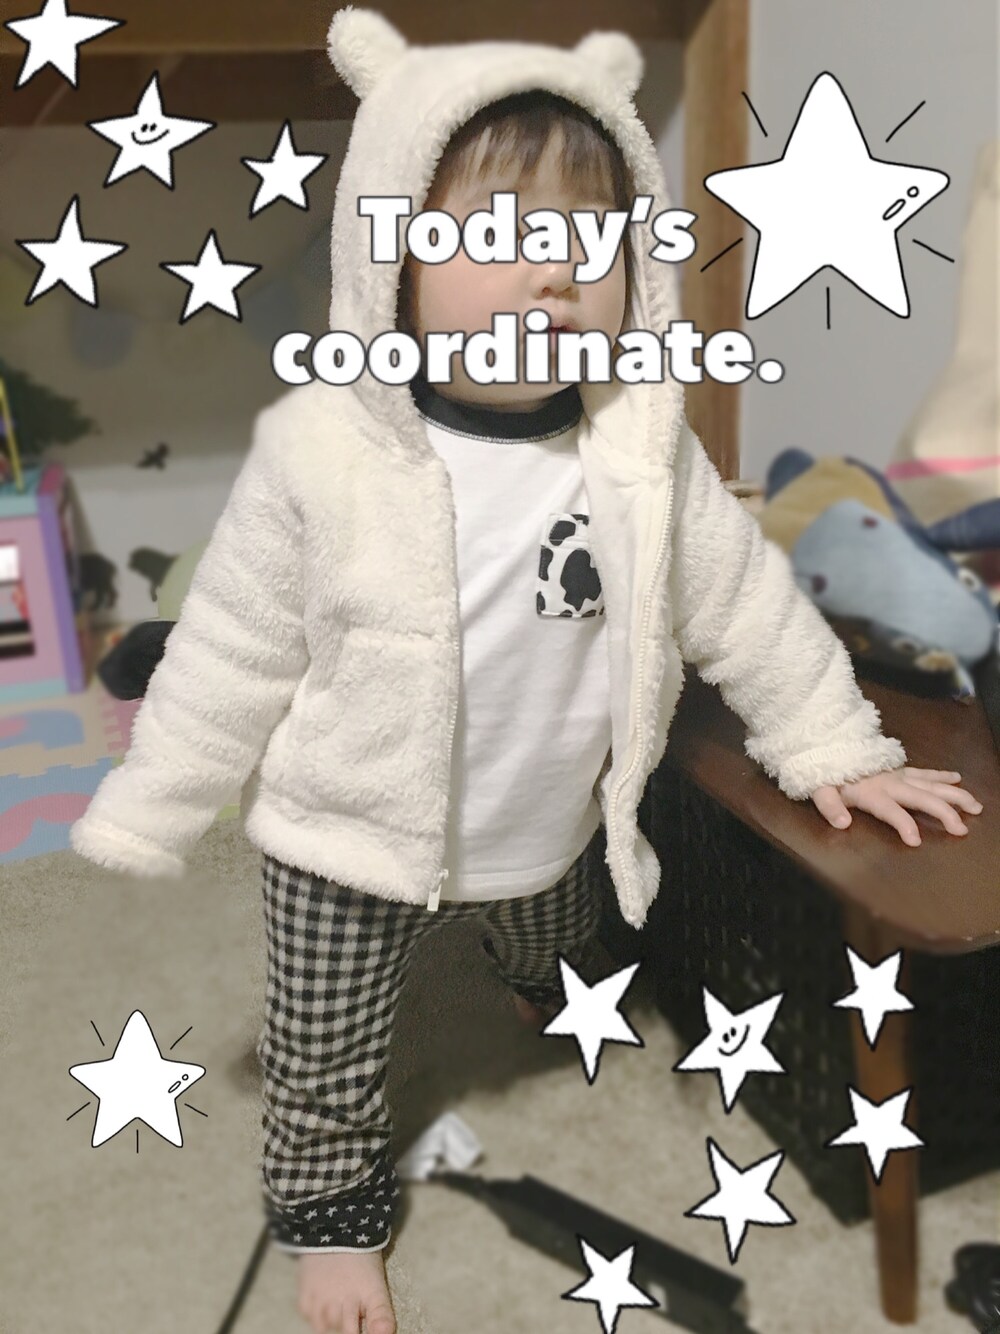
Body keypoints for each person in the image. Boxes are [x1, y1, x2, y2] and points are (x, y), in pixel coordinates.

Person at [69, 10, 984, 1334]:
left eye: (587, 240)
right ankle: (329, 1215)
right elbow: (232, 642)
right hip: (342, 833)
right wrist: (158, 797)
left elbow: (749, 610)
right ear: (390, 255)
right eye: (497, 235)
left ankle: (536, 969)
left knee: (557, 941)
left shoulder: (640, 451)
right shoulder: (323, 453)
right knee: (326, 1049)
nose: (551, 272)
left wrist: (836, 746)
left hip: (547, 819)